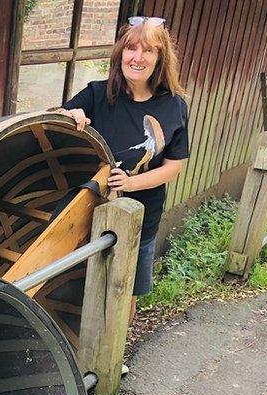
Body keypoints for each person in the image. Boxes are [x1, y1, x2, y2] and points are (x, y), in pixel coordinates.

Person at [57, 16, 189, 327]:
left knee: (125, 291)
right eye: (131, 48)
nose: (138, 58)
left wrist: (131, 183)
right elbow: (60, 117)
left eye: (148, 51)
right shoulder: (97, 94)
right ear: (120, 53)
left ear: (160, 59)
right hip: (87, 213)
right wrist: (70, 113)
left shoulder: (174, 106)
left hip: (142, 217)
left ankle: (115, 358)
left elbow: (174, 166)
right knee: (77, 287)